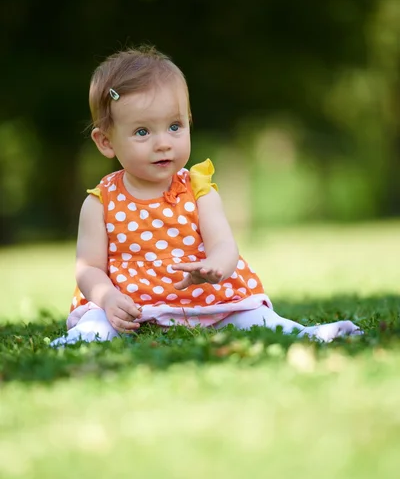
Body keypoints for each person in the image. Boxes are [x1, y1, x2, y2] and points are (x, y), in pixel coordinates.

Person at [51, 46, 362, 347]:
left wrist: (215, 267)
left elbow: (224, 244)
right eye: (143, 132)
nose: (163, 143)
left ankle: (303, 334)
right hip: (129, 303)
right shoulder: (101, 201)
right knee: (98, 325)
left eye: (175, 126)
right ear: (106, 142)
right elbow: (88, 267)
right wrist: (107, 297)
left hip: (206, 299)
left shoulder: (198, 189)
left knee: (252, 317)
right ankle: (74, 343)